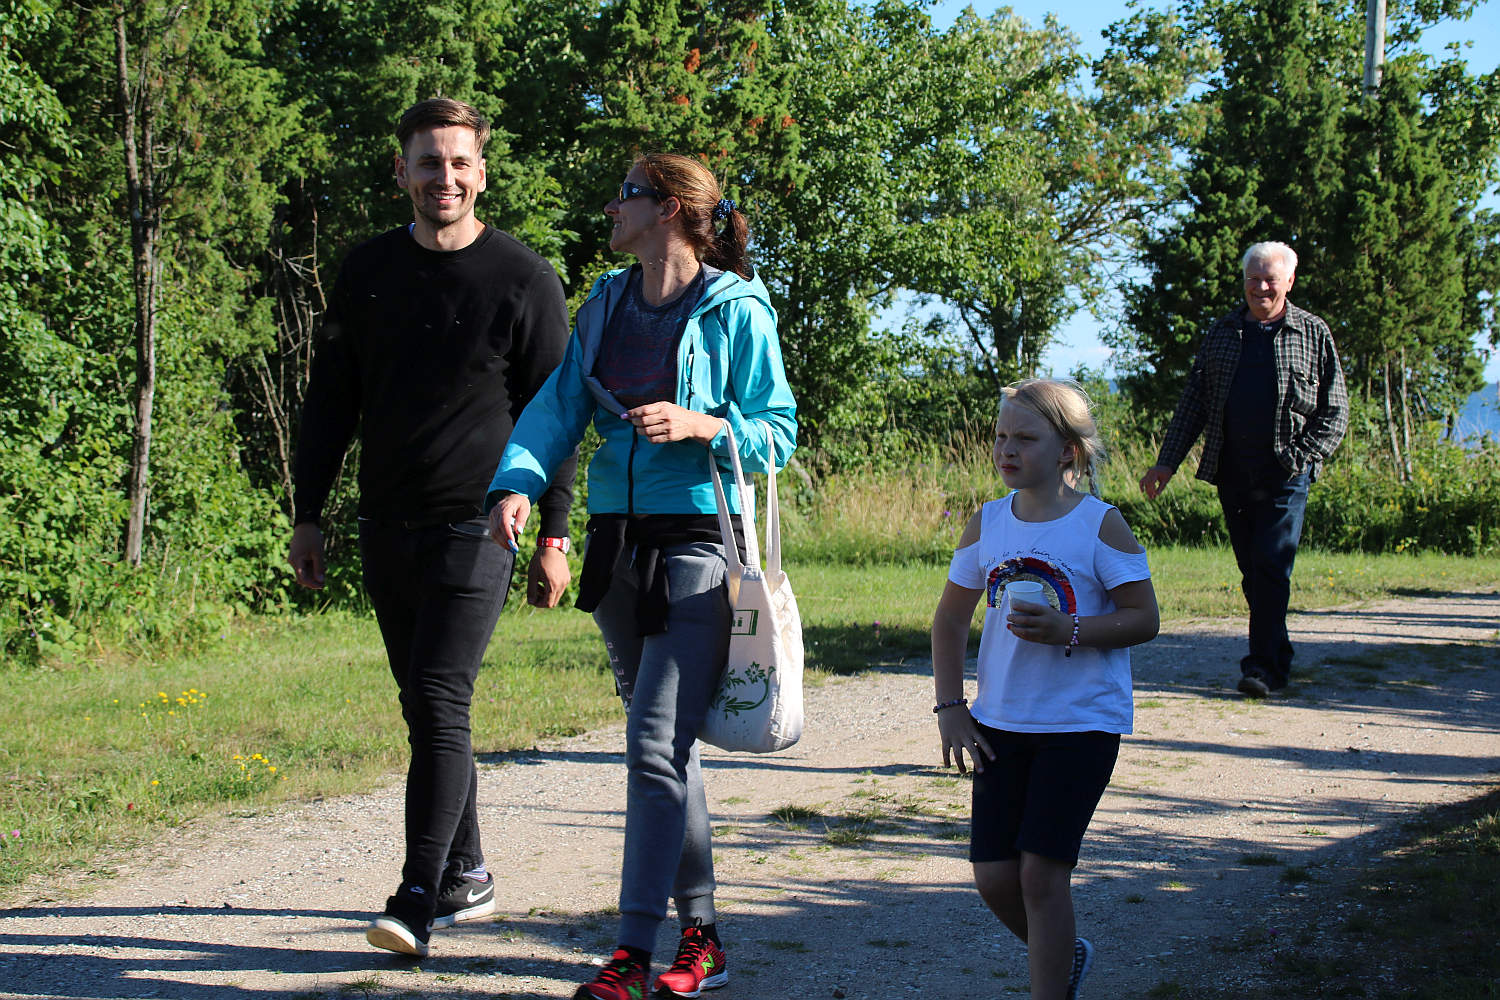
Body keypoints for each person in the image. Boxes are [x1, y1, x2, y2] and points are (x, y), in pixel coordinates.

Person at [487, 153, 796, 1000]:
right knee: (666, 750)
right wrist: (516, 484)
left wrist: (705, 425)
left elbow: (777, 432)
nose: (610, 209)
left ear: (666, 209)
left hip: (700, 543)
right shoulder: (606, 303)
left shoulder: (736, 310)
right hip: (615, 546)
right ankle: (703, 938)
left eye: (624, 195)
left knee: (654, 746)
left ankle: (630, 955)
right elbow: (559, 407)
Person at [287, 97, 577, 958]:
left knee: (442, 697)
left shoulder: (524, 278)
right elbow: (330, 403)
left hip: (481, 525)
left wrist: (555, 533)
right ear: (402, 172)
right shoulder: (367, 270)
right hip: (386, 522)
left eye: (457, 163)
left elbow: (555, 416)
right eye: (427, 162)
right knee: (424, 706)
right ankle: (467, 871)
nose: (442, 177)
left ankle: (415, 897)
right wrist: (308, 513)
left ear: (481, 172)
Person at [931, 378, 1159, 1000]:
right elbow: (950, 620)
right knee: (993, 877)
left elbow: (1144, 618)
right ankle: (1062, 957)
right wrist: (950, 706)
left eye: (1025, 438)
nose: (1007, 449)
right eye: (1001, 436)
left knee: (1040, 876)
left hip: (1080, 726)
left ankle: (1049, 989)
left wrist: (1071, 628)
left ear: (1068, 452)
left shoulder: (1099, 525)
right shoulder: (987, 522)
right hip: (999, 723)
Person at [1138, 241, 1347, 697]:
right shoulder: (1222, 333)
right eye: (1254, 278)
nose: (1261, 287)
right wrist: (1166, 463)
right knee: (1254, 572)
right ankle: (1278, 654)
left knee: (1271, 566)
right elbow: (1193, 403)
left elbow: (1335, 412)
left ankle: (1262, 669)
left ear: (1289, 281)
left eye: (1271, 279)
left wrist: (1301, 457)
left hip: (1286, 476)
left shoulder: (1313, 332)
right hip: (1232, 474)